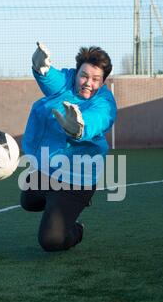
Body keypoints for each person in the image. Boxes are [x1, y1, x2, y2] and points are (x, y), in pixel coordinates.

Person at [20, 42, 117, 252]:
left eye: (95, 79)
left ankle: (77, 228)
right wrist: (41, 69)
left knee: (50, 241)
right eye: (84, 75)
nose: (88, 83)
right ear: (76, 72)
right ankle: (60, 205)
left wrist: (79, 128)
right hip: (49, 169)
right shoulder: (67, 81)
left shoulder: (105, 102)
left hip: (77, 179)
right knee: (28, 200)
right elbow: (52, 80)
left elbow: (99, 118)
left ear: (103, 81)